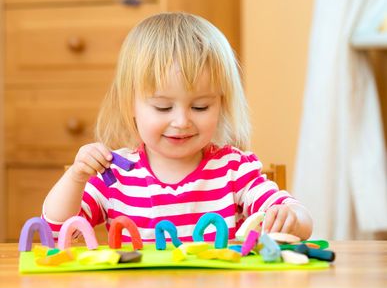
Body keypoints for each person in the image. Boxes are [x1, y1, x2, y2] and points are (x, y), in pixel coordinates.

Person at [42, 12, 313, 242]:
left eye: (200, 107)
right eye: (163, 107)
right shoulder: (114, 176)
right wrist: (77, 177)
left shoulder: (233, 170)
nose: (182, 122)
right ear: (130, 105)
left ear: (221, 104)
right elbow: (56, 232)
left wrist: (290, 218)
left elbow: (301, 221)